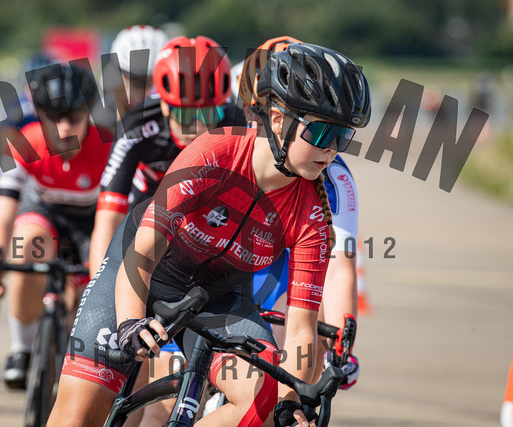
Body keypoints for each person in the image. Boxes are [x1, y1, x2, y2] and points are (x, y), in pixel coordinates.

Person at [49, 41, 371, 427]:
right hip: (142, 273)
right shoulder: (214, 153)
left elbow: (302, 330)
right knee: (79, 414)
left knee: (263, 398)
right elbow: (143, 253)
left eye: (342, 136)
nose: (332, 150)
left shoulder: (314, 215)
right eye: (320, 132)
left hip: (219, 297)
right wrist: (131, 321)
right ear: (278, 120)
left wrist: (289, 399)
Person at [0, 63, 112, 389]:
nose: (64, 128)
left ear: (88, 114)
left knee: (95, 286)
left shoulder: (108, 146)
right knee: (25, 247)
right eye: (54, 118)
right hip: (44, 214)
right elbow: (4, 213)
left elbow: (114, 218)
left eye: (74, 118)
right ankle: (22, 348)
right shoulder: (25, 142)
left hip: (92, 221)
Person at [239, 36, 360, 387]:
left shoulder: (334, 177)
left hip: (283, 277)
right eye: (254, 115)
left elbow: (339, 267)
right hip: (222, 272)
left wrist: (339, 346)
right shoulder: (225, 153)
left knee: (295, 361)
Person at [90, 35, 244, 273]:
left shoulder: (238, 124)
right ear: (165, 106)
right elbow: (108, 218)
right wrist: (98, 283)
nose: (198, 127)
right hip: (147, 203)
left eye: (209, 114)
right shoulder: (137, 126)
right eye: (185, 115)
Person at [95, 25, 168, 135]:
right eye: (135, 81)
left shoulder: (175, 113)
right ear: (120, 74)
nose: (144, 91)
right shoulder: (103, 117)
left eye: (151, 81)